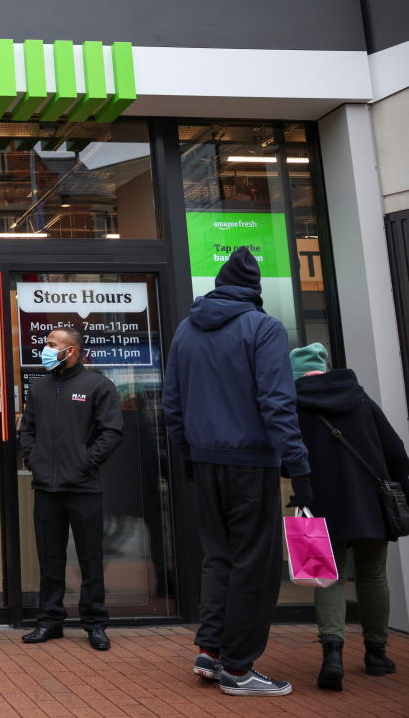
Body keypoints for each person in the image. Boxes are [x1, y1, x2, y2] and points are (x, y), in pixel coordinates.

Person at [163, 246, 312, 697]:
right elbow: (277, 403)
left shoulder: (186, 331)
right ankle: (240, 667)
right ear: (255, 289)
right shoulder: (262, 328)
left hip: (205, 462)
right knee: (255, 564)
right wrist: (299, 467)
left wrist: (188, 457)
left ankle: (210, 651)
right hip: (251, 462)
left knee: (219, 557)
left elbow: (172, 404)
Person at [290, 342, 409, 691]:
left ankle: (333, 655)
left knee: (328, 577)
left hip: (319, 503)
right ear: (324, 366)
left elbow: (286, 459)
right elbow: (396, 450)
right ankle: (376, 654)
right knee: (373, 574)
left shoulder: (293, 406)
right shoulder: (359, 398)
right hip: (370, 501)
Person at [19, 327, 123, 651]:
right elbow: (28, 430)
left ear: (71, 350)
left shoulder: (98, 386)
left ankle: (95, 623)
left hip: (83, 488)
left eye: (51, 345)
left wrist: (85, 463)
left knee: (91, 559)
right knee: (50, 559)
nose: (45, 349)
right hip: (46, 489)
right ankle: (50, 621)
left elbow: (111, 432)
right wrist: (33, 459)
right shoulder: (39, 388)